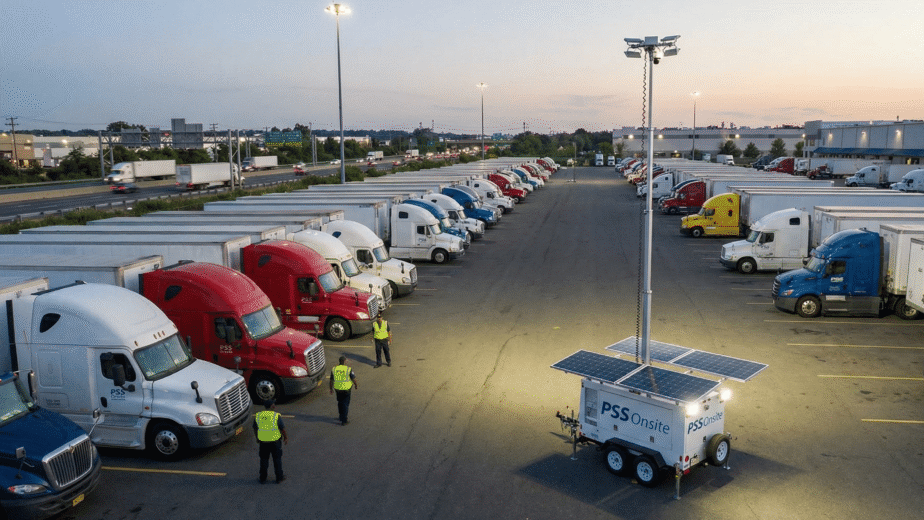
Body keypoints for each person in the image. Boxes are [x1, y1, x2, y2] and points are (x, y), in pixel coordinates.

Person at [253, 399, 287, 484]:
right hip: (275, 442)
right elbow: (282, 428)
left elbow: (255, 428)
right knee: (277, 460)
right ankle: (279, 478)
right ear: (271, 406)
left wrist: (257, 437)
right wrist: (285, 437)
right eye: (273, 404)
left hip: (263, 442)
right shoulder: (276, 416)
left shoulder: (258, 415)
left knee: (264, 460)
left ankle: (262, 478)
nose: (274, 405)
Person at [329, 356, 357, 425]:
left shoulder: (334, 369)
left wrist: (331, 389)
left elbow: (331, 380)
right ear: (344, 361)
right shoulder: (348, 369)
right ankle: (344, 420)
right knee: (345, 404)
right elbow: (353, 378)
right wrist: (356, 385)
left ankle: (341, 417)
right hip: (346, 389)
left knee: (340, 403)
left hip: (337, 389)